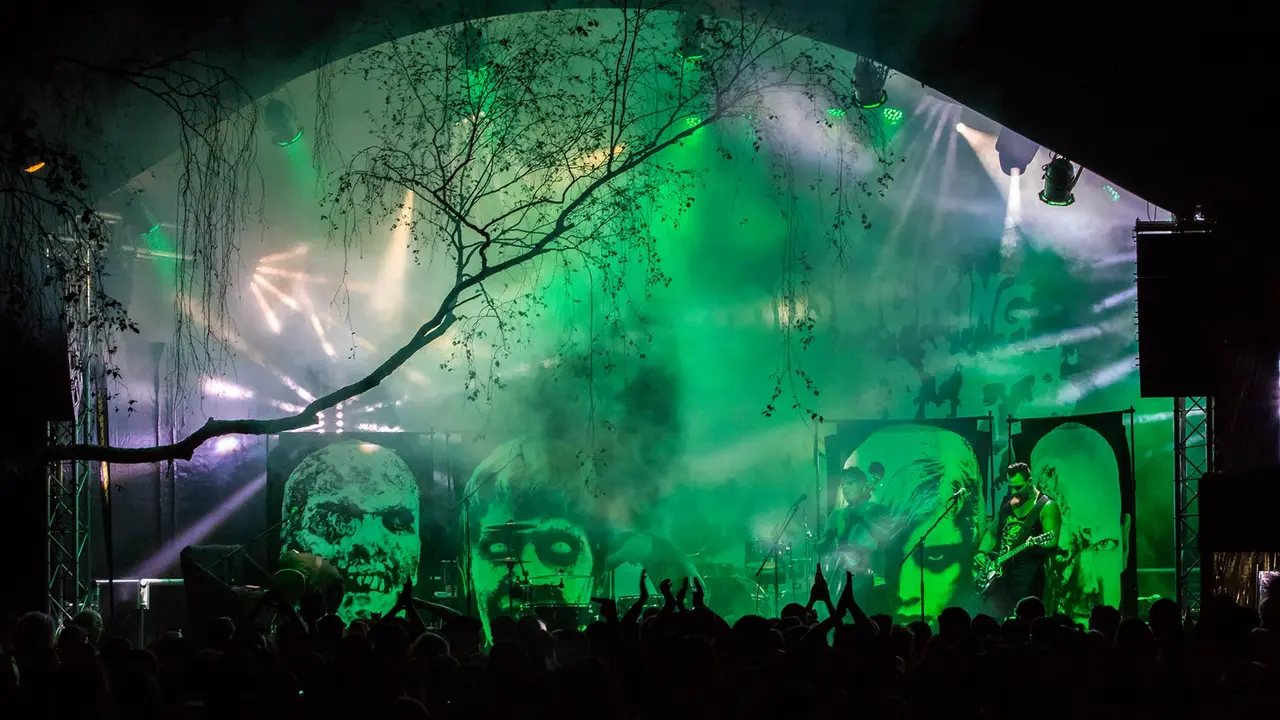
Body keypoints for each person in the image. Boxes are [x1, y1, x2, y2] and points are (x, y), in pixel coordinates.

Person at [975, 462, 1061, 620]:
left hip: (1029, 577)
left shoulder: (1046, 506)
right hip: (1001, 573)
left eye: (1019, 487)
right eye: (1011, 487)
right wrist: (982, 552)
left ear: (1030, 482)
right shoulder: (1007, 503)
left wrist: (1036, 543)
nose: (1015, 492)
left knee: (1024, 620)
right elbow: (993, 533)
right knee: (992, 617)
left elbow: (1052, 542)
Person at [817, 466, 894, 609]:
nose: (845, 488)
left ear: (863, 485)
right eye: (843, 484)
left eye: (850, 483)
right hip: (843, 580)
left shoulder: (878, 510)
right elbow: (823, 548)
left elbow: (887, 541)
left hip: (874, 579)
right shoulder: (836, 515)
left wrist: (863, 519)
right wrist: (846, 527)